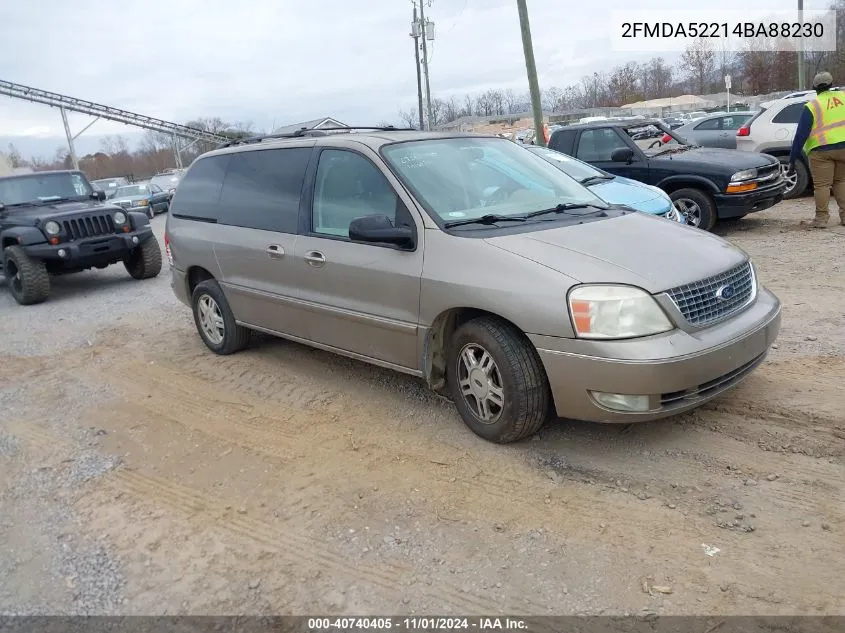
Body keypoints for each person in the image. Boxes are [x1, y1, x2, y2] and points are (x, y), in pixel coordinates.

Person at [789, 71, 845, 228]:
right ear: (831, 84)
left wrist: (792, 160)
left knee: (822, 186)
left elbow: (801, 135)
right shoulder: (843, 97)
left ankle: (821, 219)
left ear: (814, 87)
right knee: (841, 181)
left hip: (821, 151)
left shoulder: (813, 106)